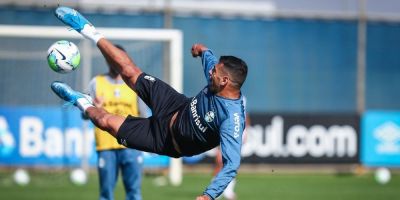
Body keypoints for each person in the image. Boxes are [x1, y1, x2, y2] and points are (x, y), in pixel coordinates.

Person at [51, 6, 248, 200]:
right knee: (130, 72)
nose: (211, 71)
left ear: (224, 81)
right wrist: (201, 50)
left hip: (164, 140)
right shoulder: (218, 78)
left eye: (215, 71)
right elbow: (209, 57)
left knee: (106, 123)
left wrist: (208, 196)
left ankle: (81, 101)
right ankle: (87, 29)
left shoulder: (232, 119)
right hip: (175, 105)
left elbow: (231, 166)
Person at [89, 44, 145, 200]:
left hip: (131, 145)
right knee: (105, 194)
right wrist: (95, 108)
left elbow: (144, 115)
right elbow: (85, 115)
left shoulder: (135, 84)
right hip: (106, 146)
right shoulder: (96, 82)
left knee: (134, 193)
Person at [213, 97, 250, 200]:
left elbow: (245, 114)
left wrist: (246, 131)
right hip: (224, 130)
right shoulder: (220, 95)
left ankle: (228, 191)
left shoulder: (242, 98)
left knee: (231, 162)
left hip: (235, 133)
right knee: (219, 161)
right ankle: (215, 191)